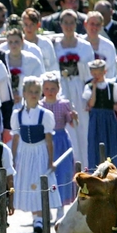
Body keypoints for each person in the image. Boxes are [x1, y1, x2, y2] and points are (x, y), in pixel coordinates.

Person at [11, 77, 59, 233]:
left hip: (40, 151)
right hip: (25, 152)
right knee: (29, 182)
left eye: (36, 92)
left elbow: (49, 139)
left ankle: (40, 216)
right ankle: (35, 216)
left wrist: (50, 160)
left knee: (39, 182)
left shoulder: (45, 114)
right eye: (30, 92)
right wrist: (13, 158)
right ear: (24, 93)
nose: (33, 95)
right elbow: (16, 138)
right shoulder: (17, 115)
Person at [53, 9, 96, 167]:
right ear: (61, 24)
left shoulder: (84, 46)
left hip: (79, 87)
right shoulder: (55, 45)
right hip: (62, 88)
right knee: (65, 126)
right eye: (66, 22)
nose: (69, 26)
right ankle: (68, 166)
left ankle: (85, 165)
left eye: (72, 23)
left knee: (82, 127)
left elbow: (90, 74)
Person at [82, 59, 117, 171]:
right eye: (94, 74)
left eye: (99, 73)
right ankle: (95, 170)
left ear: (104, 72)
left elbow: (115, 103)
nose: (96, 76)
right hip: (95, 118)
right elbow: (91, 103)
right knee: (95, 144)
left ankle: (114, 169)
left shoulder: (112, 86)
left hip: (109, 118)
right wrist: (94, 88)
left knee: (111, 143)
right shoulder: (88, 87)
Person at [42, 73, 76, 205]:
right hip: (45, 141)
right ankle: (47, 204)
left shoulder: (63, 104)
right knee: (46, 172)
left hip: (61, 141)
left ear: (58, 89)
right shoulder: (40, 105)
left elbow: (72, 123)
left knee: (63, 172)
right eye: (47, 89)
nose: (50, 92)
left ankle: (61, 204)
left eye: (53, 89)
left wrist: (73, 116)